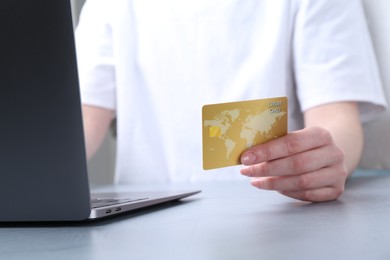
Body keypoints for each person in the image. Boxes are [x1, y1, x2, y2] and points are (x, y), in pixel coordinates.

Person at [75, 0, 387, 202]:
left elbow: (335, 115)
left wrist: (325, 160)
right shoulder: (109, 5)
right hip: (143, 226)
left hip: (277, 215)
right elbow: (80, 118)